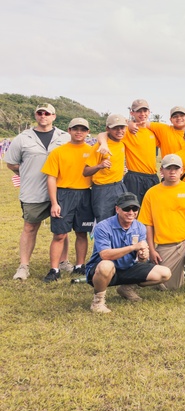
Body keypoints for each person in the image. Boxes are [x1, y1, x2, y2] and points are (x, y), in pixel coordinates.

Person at [5, 103, 70, 281]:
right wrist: (25, 174)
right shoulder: (23, 138)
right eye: (40, 113)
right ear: (36, 115)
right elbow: (11, 162)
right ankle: (24, 265)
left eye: (47, 113)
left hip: (61, 190)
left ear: (54, 116)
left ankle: (64, 261)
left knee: (61, 229)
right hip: (33, 192)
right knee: (30, 227)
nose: (43, 116)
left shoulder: (64, 137)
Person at [137, 154, 185, 293]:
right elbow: (147, 225)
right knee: (168, 286)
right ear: (161, 170)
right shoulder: (151, 193)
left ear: (181, 170)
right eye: (169, 168)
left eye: (176, 168)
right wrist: (152, 250)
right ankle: (178, 272)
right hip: (166, 245)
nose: (172, 171)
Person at [86, 192, 171, 313]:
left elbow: (141, 260)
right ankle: (98, 302)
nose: (131, 212)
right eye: (126, 208)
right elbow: (105, 255)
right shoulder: (103, 227)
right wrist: (133, 247)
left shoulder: (140, 227)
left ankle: (127, 288)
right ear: (117, 209)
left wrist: (143, 255)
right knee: (106, 265)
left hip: (128, 267)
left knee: (165, 273)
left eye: (135, 208)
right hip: (102, 270)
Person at [40, 117, 95, 280]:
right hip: (64, 194)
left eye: (83, 129)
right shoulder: (58, 152)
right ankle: (54, 269)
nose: (79, 132)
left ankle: (80, 265)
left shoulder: (92, 151)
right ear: (69, 130)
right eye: (75, 129)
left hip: (85, 194)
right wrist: (54, 202)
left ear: (88, 132)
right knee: (60, 234)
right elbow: (51, 178)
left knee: (82, 232)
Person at [84, 114, 128, 225]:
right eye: (115, 128)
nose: (119, 131)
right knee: (104, 223)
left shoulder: (122, 142)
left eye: (122, 127)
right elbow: (85, 172)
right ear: (108, 129)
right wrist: (100, 166)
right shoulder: (100, 147)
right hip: (102, 189)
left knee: (122, 221)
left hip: (119, 186)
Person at [119, 99, 162, 202]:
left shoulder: (152, 131)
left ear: (149, 112)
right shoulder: (127, 131)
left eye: (145, 111)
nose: (142, 114)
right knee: (132, 210)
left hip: (152, 177)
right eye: (139, 111)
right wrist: (128, 122)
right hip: (134, 177)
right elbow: (105, 133)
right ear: (132, 113)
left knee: (152, 210)